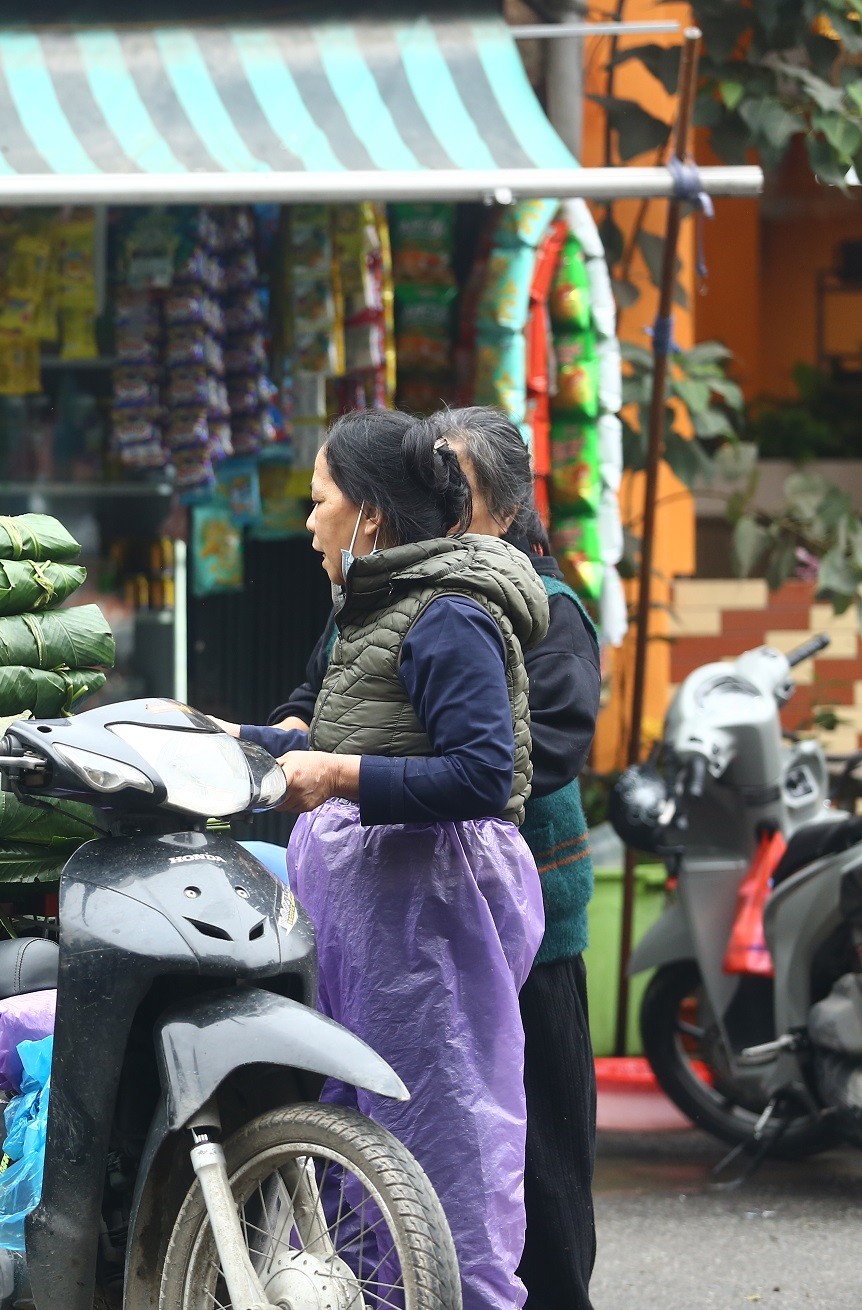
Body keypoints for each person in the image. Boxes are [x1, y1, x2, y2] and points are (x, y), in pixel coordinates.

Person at [269, 407, 601, 1309]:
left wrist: (345, 776)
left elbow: (502, 767)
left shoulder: (486, 610)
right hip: (388, 928)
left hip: (473, 927)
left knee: (507, 1167)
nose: (440, 502)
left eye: (454, 488)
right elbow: (320, 708)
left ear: (500, 509)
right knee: (383, 1143)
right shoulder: (374, 599)